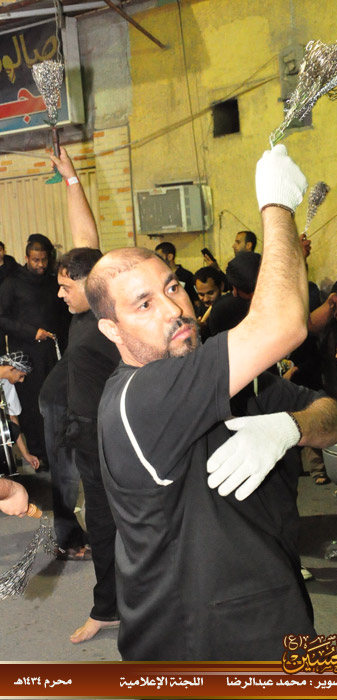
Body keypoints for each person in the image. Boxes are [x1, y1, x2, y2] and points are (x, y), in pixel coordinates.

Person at [86, 144, 337, 660]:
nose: (173, 309)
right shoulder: (139, 398)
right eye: (144, 304)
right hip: (195, 647)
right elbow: (284, 324)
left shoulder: (227, 377)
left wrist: (290, 428)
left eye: (172, 287)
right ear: (112, 330)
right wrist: (276, 204)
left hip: (273, 617)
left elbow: (336, 415)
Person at [49, 147, 120, 644]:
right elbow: (85, 240)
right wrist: (72, 179)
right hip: (86, 439)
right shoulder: (81, 307)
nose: (59, 294)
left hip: (109, 439)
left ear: (87, 285)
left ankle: (118, 606)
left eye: (64, 287)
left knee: (116, 525)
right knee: (101, 525)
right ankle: (111, 606)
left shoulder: (107, 315)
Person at [0, 235, 69, 464]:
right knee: (31, 406)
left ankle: (57, 451)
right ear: (26, 258)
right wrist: (31, 332)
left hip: (52, 353)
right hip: (26, 356)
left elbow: (63, 316)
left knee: (54, 401)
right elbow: (2, 319)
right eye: (35, 260)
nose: (40, 265)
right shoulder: (12, 283)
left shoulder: (52, 282)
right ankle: (38, 454)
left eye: (44, 260)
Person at [0, 352, 40, 471]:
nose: (21, 381)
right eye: (21, 376)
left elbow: (13, 417)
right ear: (12, 369)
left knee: (12, 429)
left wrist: (25, 454)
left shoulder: (6, 383)